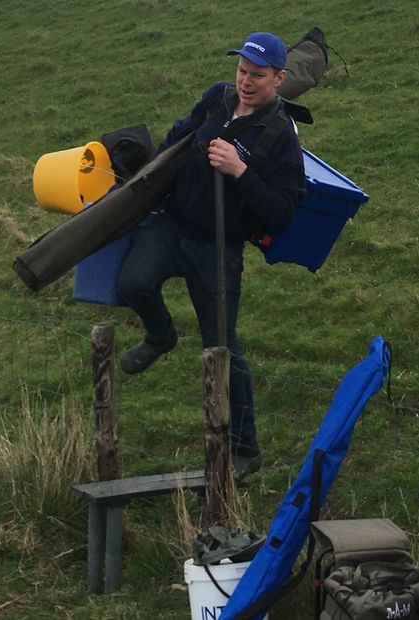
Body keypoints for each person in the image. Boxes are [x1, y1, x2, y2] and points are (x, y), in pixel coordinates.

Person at [116, 32, 306, 479]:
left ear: (279, 78)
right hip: (172, 226)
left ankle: (246, 449)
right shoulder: (217, 99)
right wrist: (151, 176)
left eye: (257, 76)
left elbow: (283, 210)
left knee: (222, 347)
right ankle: (161, 336)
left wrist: (238, 171)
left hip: (217, 248)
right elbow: (179, 137)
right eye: (242, 71)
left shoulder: (280, 135)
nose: (245, 81)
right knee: (133, 284)